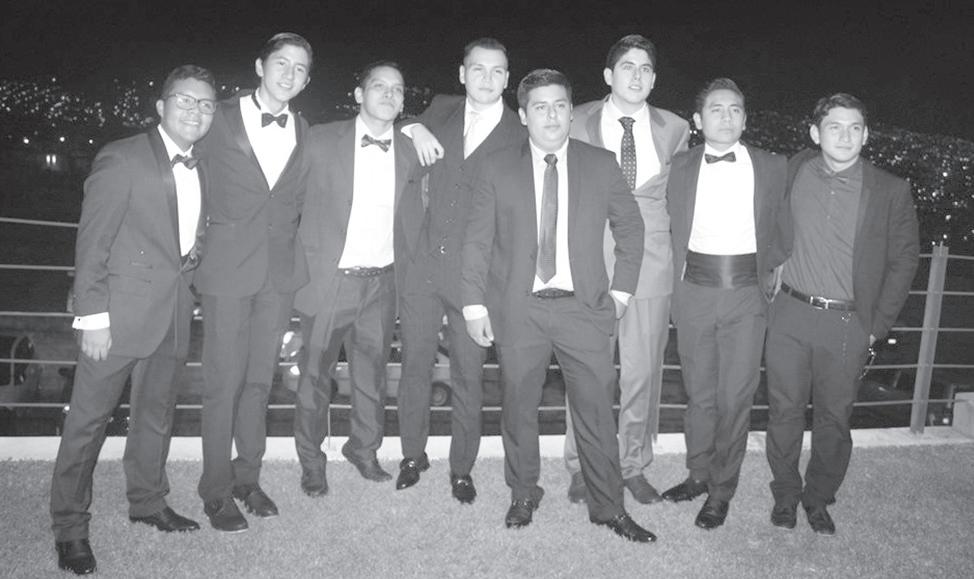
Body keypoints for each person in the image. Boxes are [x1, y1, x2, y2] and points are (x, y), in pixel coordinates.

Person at [462, 69, 655, 543]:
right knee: (518, 409)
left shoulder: (600, 163)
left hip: (582, 310)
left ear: (571, 112)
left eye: (560, 105)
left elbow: (631, 230)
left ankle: (608, 506)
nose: (551, 115)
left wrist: (621, 294)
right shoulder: (496, 167)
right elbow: (477, 241)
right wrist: (473, 306)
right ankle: (523, 492)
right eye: (540, 107)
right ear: (523, 115)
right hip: (518, 311)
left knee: (596, 412)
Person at [50, 64, 216, 574]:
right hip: (117, 317)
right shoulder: (122, 157)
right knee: (87, 424)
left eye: (205, 104)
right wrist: (92, 316)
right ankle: (70, 528)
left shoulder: (201, 164)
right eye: (185, 100)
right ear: (161, 106)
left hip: (173, 312)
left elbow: (187, 239)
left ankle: (147, 502)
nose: (195, 111)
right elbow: (92, 242)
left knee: (155, 417)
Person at [765, 93, 919, 535]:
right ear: (815, 133)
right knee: (784, 411)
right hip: (789, 312)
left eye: (855, 128)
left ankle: (818, 497)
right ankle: (785, 494)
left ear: (866, 135)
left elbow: (904, 261)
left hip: (848, 323)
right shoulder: (792, 170)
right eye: (835, 126)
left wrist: (877, 325)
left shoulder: (890, 189)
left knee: (834, 418)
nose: (845, 136)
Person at [394, 37, 524, 504]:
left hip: (476, 281)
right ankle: (412, 455)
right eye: (478, 69)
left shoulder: (519, 133)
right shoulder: (442, 109)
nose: (487, 78)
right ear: (463, 73)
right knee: (414, 366)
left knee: (469, 377)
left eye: (497, 71)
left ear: (507, 79)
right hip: (423, 269)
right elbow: (397, 122)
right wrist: (414, 128)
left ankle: (462, 468)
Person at [193, 32, 312, 532]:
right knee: (223, 384)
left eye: (300, 68)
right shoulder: (216, 116)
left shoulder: (304, 128)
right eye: (281, 63)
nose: (289, 74)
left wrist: (412, 128)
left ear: (307, 80)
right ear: (259, 65)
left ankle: (248, 477)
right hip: (226, 270)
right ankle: (216, 490)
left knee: (260, 383)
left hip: (277, 276)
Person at [564, 34, 689, 505]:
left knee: (642, 373)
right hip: (590, 262)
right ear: (607, 75)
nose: (636, 76)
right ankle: (582, 464)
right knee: (587, 369)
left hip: (652, 266)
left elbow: (680, 197)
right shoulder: (575, 119)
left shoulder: (675, 128)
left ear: (654, 79)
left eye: (645, 69)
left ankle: (633, 463)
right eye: (627, 67)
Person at [663, 78, 789, 530]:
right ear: (698, 120)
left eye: (735, 109)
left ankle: (721, 491)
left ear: (745, 118)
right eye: (716, 109)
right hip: (693, 292)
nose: (727, 117)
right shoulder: (679, 166)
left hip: (746, 296)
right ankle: (697, 473)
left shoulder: (773, 166)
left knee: (735, 398)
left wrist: (774, 265)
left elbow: (786, 225)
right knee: (699, 394)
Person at [292, 61, 422, 494]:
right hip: (329, 280)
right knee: (314, 378)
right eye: (378, 86)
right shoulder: (320, 139)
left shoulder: (411, 150)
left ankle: (363, 449)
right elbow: (287, 200)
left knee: (372, 376)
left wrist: (417, 127)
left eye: (397, 89)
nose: (388, 94)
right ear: (359, 94)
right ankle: (312, 461)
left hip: (382, 283)